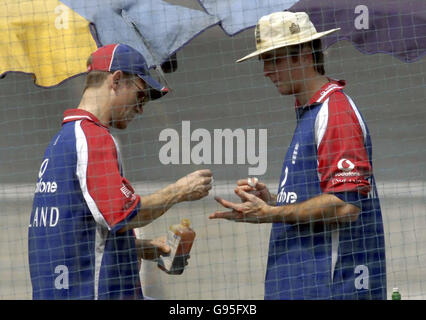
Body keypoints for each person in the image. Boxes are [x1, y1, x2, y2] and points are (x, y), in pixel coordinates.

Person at [210, 11, 386, 299]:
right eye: (263, 60)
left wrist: (269, 213)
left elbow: (345, 206)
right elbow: (323, 199)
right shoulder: (312, 111)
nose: (266, 70)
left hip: (329, 288)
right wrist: (275, 200)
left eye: (274, 59)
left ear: (304, 54)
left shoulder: (334, 111)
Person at [28, 43, 213, 300]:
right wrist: (181, 190)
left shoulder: (63, 140)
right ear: (116, 80)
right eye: (140, 95)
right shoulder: (92, 138)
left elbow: (79, 234)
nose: (141, 108)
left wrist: (139, 247)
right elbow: (125, 214)